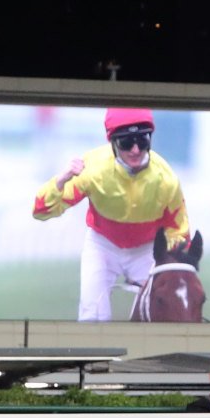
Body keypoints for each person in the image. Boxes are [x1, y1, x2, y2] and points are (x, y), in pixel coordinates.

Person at [32, 108, 190, 322]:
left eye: (142, 141)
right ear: (113, 143)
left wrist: (170, 266)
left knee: (168, 314)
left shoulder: (167, 180)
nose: (135, 150)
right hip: (103, 248)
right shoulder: (92, 170)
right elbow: (41, 211)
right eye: (126, 143)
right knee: (93, 316)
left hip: (147, 251)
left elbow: (179, 231)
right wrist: (60, 181)